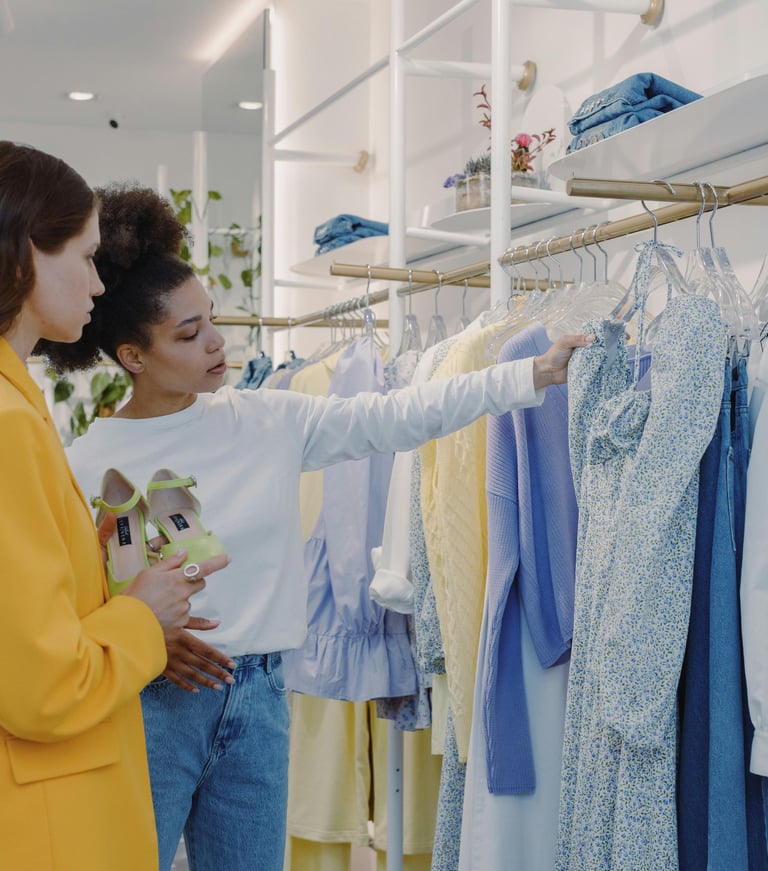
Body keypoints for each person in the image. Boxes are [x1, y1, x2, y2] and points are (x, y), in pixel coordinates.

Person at [45, 181, 593, 871]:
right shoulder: (84, 463)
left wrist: (528, 375)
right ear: (133, 356)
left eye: (211, 319)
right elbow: (65, 602)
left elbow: (399, 415)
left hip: (262, 699)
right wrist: (143, 632)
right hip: (151, 701)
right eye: (188, 334)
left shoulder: (268, 420)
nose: (216, 343)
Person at [0, 143, 229, 871]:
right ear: (23, 256)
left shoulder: (18, 404)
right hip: (50, 819)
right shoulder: (9, 422)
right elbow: (43, 686)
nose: (99, 283)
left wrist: (91, 570)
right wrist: (142, 614)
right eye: (86, 257)